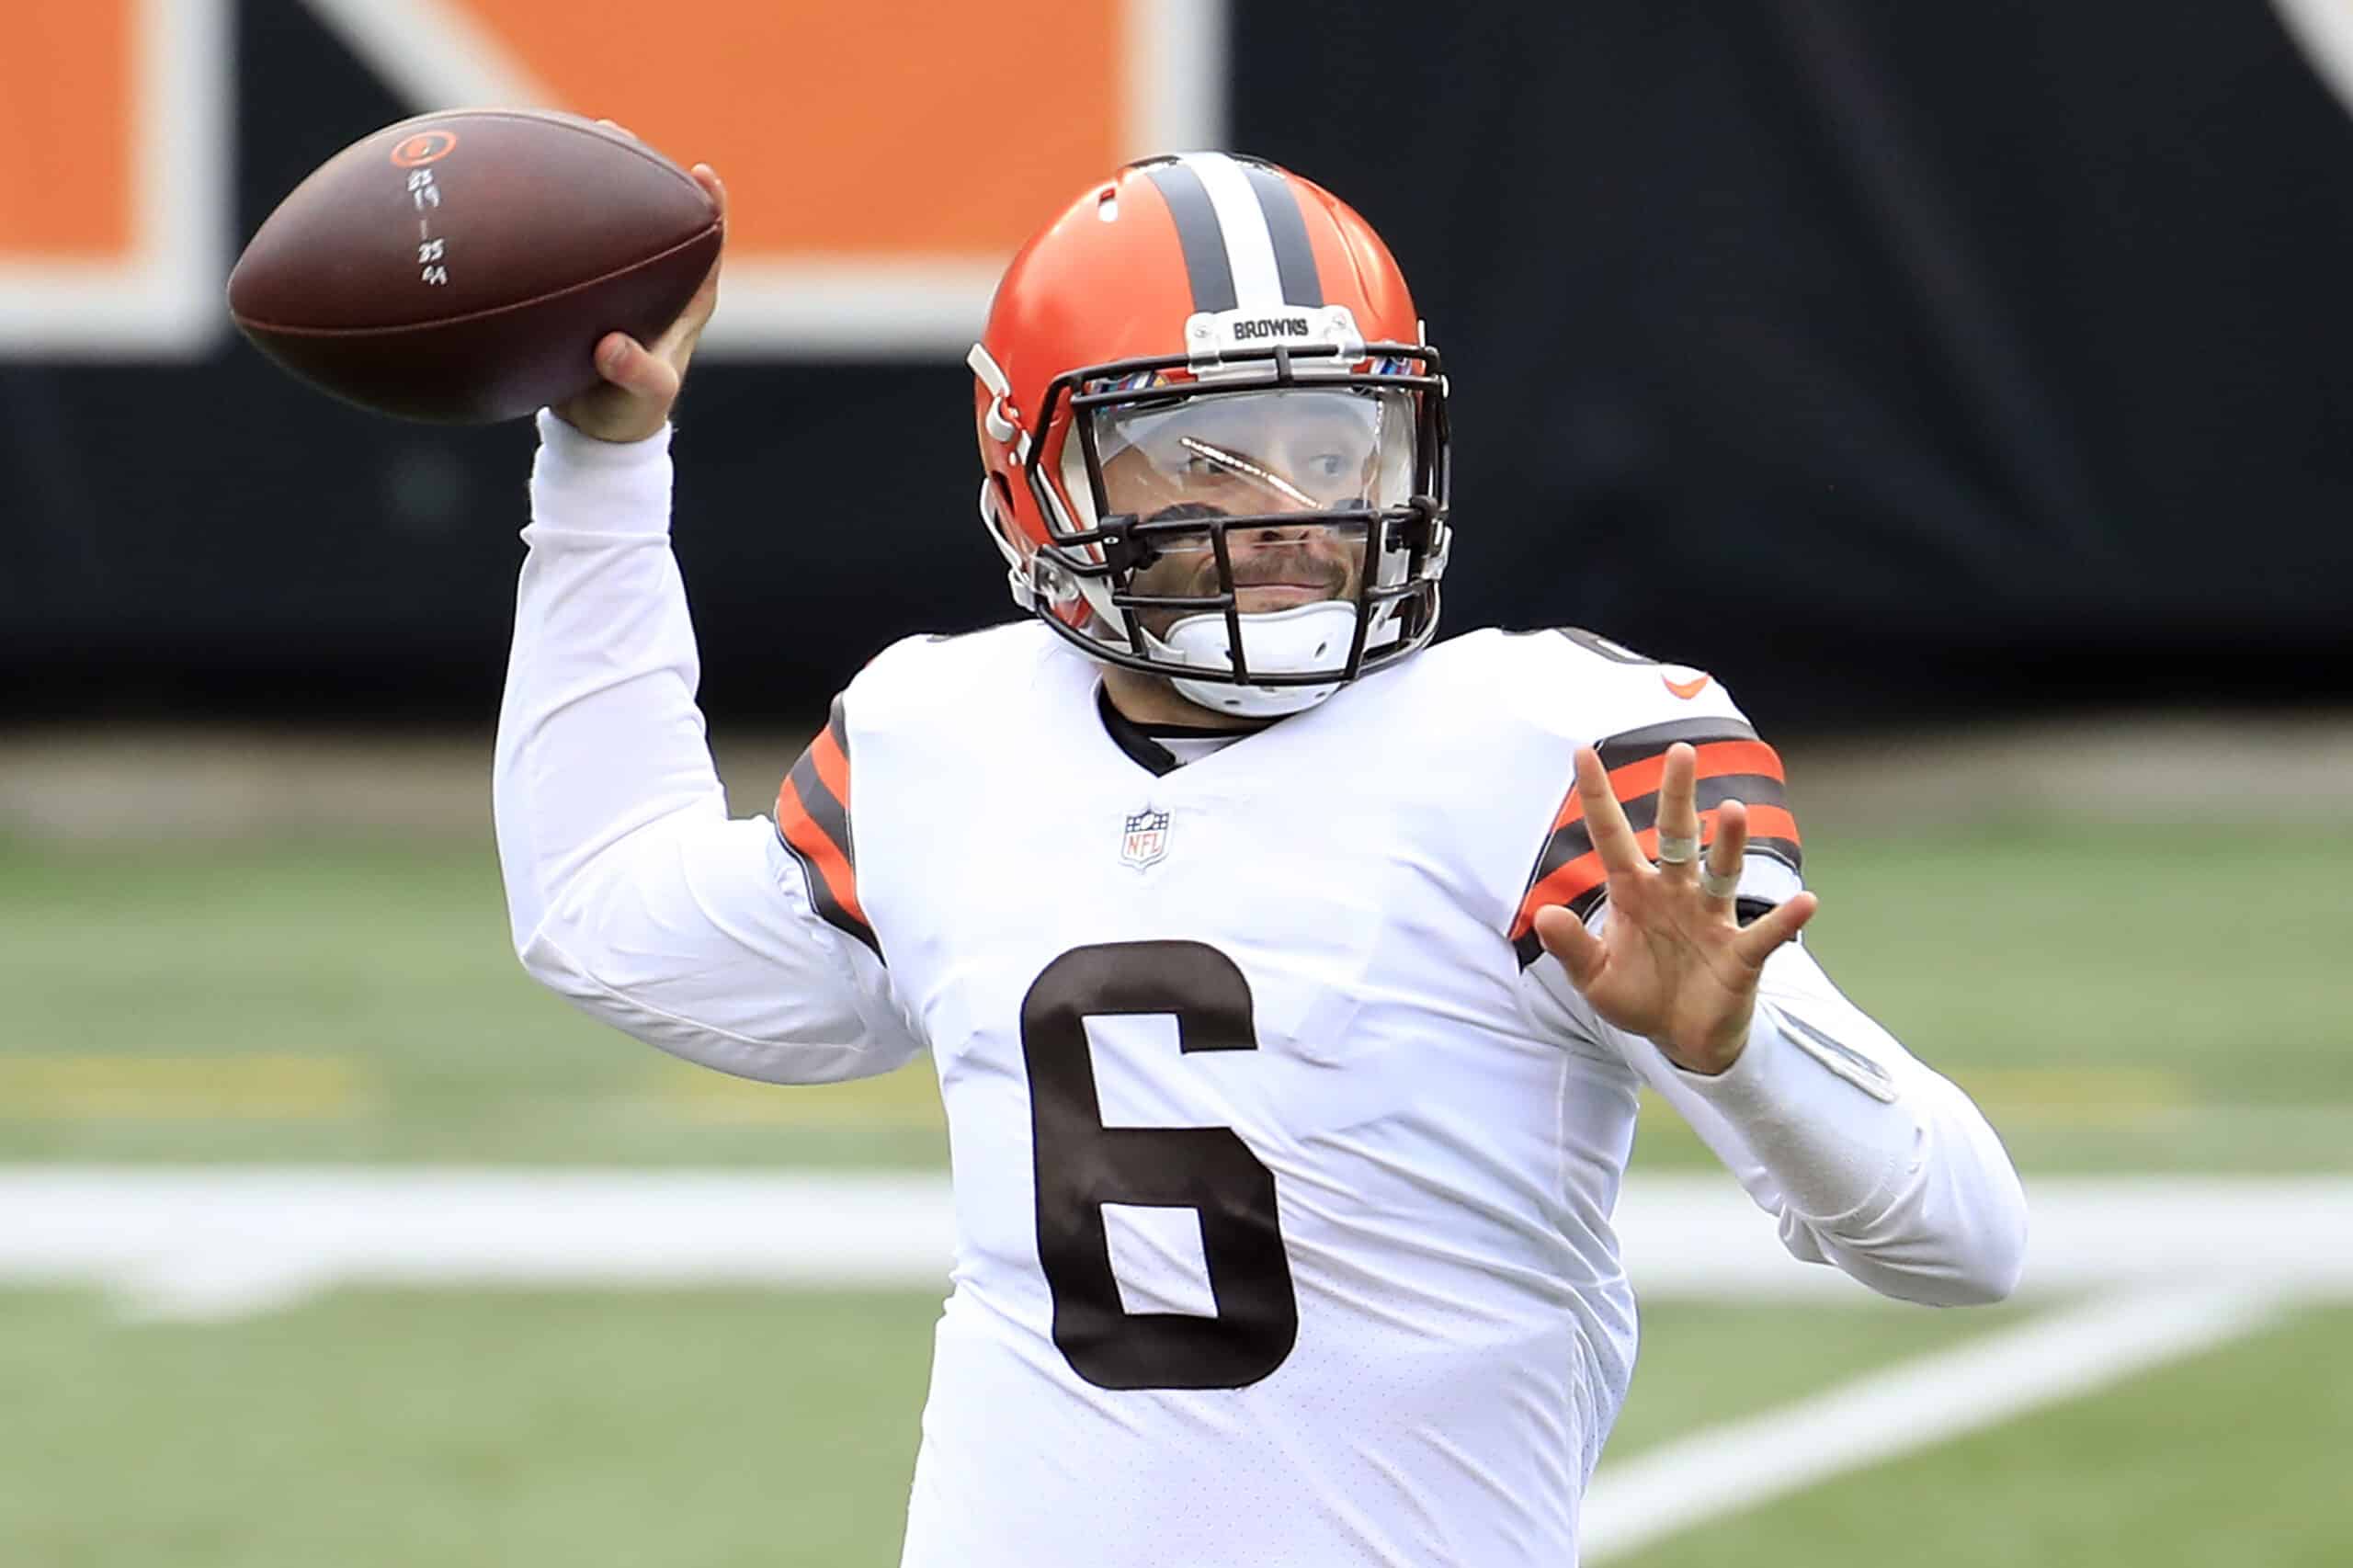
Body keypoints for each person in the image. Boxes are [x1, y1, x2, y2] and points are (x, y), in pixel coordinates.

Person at [495, 151, 2027, 1566]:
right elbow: (601, 917)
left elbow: (1964, 1238)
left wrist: (1745, 1052)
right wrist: (606, 464)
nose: (1289, 513)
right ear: (1040, 473)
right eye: (1204, 461)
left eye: (1332, 443)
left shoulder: (1554, 749)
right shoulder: (938, 737)